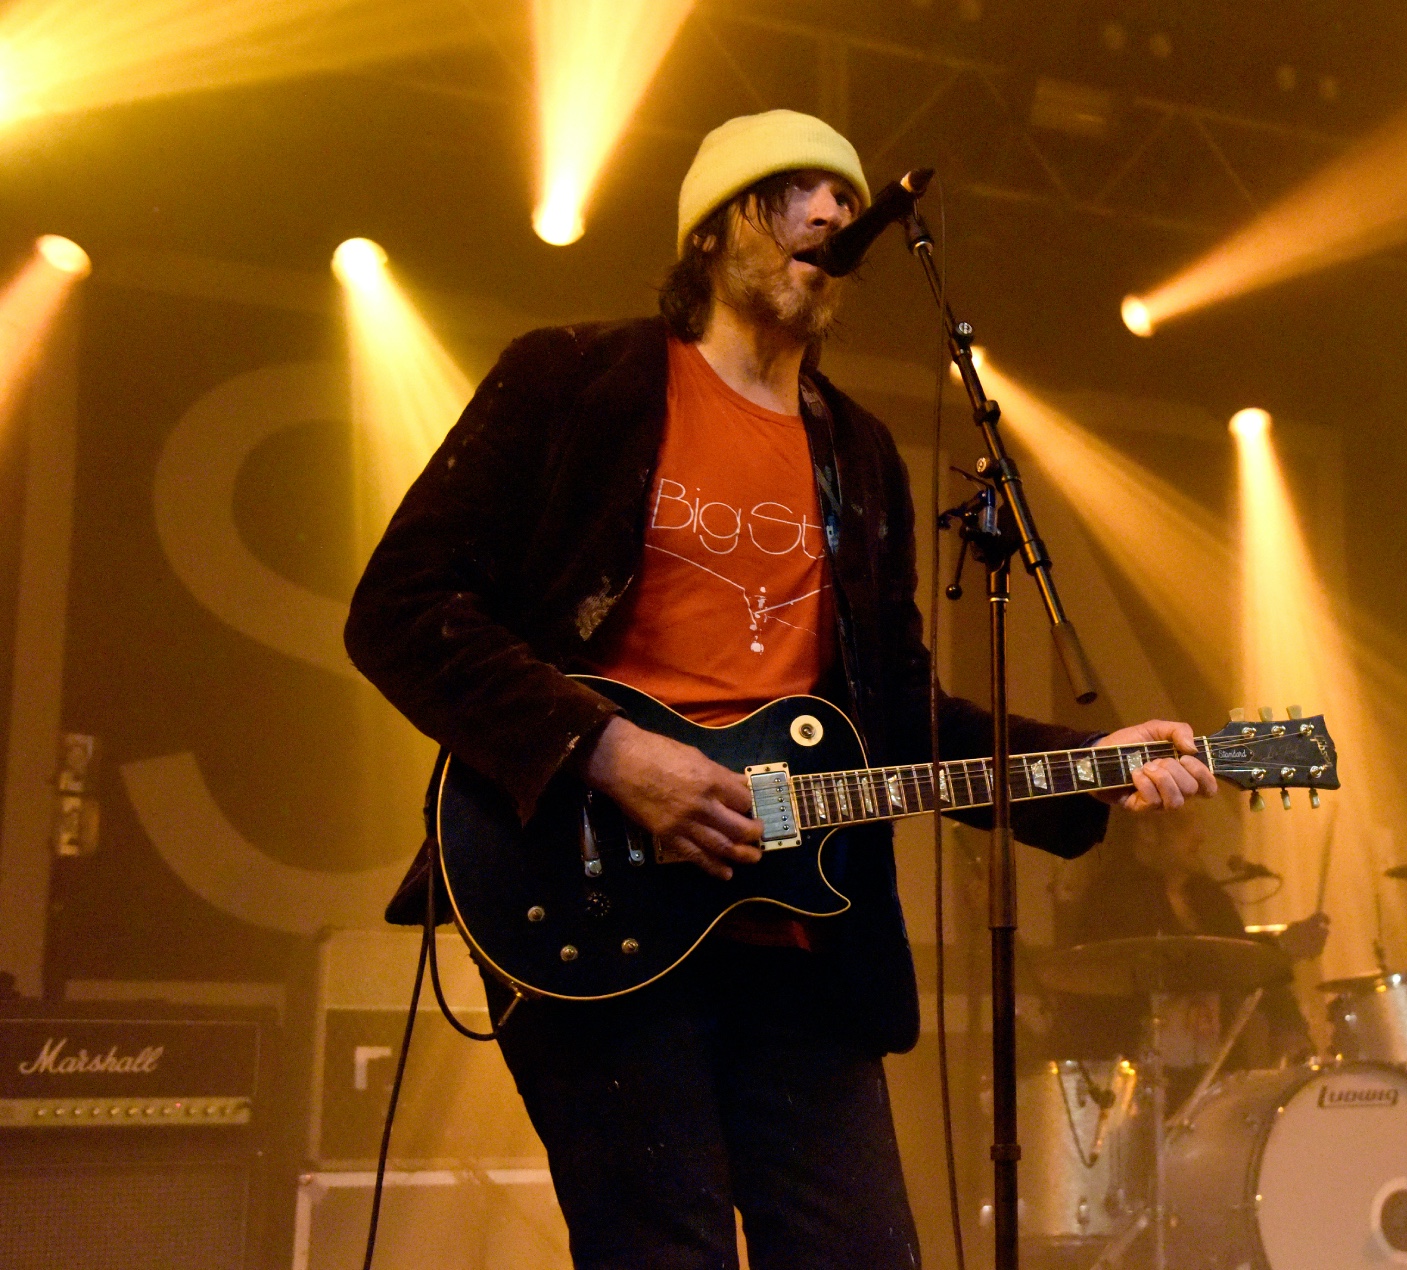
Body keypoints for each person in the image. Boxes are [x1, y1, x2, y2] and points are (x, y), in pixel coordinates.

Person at [344, 109, 1217, 1270]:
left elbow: (895, 719)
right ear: (713, 231)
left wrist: (1096, 762)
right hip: (592, 898)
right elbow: (400, 608)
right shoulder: (574, 380)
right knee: (666, 1249)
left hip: (800, 935)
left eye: (847, 197)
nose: (834, 213)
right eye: (796, 190)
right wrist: (608, 751)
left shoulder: (854, 455)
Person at [1053, 804, 1327, 1079]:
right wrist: (1280, 949)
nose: (1200, 835)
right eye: (1185, 824)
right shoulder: (1113, 901)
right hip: (1135, 1080)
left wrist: (1292, 1028)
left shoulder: (1207, 897)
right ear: (1147, 831)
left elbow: (1249, 964)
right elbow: (1182, 968)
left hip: (1216, 1079)